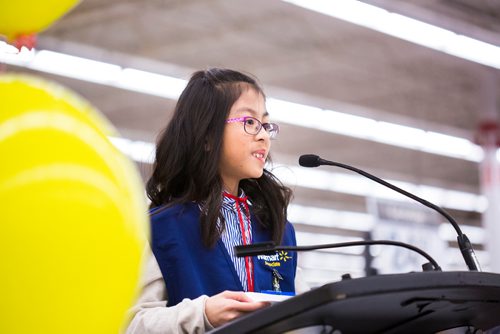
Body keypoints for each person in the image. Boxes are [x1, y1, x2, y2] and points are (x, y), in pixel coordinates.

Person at [126, 68, 305, 334]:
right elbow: (132, 324)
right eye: (250, 122)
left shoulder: (278, 228)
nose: (263, 135)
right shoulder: (159, 228)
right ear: (207, 137)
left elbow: (303, 310)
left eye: (265, 124)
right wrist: (203, 313)